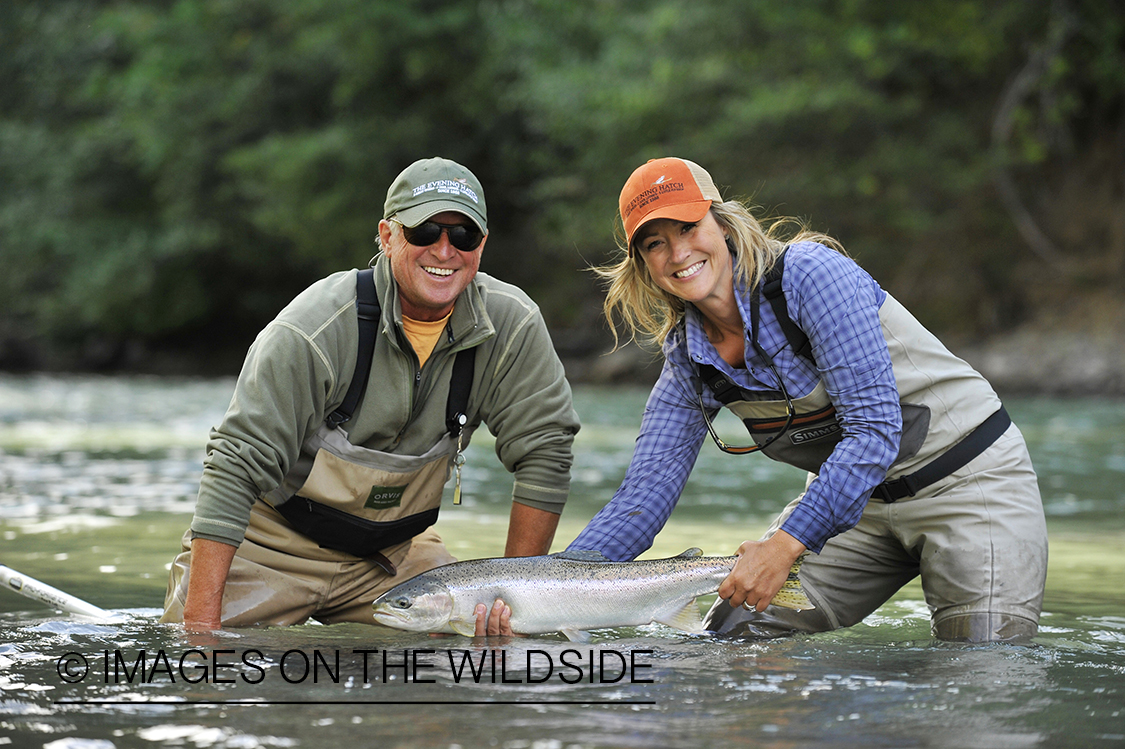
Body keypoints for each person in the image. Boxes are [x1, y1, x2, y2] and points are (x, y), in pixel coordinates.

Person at [567, 157, 1047, 642]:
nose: (678, 252)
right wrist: (542, 594)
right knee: (732, 642)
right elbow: (642, 498)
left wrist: (783, 546)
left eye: (689, 227)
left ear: (724, 224)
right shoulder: (687, 358)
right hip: (854, 511)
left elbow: (875, 432)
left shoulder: (811, 276)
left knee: (981, 674)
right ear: (643, 266)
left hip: (968, 485)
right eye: (655, 243)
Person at [161, 157, 580, 633]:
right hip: (272, 545)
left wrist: (514, 606)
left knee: (482, 657)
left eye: (463, 236)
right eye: (424, 233)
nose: (444, 251)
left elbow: (547, 453)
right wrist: (200, 635)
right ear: (386, 236)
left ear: (482, 245)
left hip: (396, 557)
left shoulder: (513, 325)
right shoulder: (314, 329)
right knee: (193, 652)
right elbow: (235, 466)